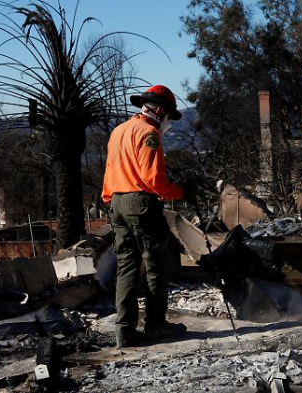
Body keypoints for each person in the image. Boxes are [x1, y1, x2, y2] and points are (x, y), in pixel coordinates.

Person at [102, 85, 195, 348]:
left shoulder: (118, 131)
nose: (168, 121)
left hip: (116, 202)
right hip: (140, 202)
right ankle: (155, 325)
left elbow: (110, 172)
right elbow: (154, 181)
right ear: (159, 110)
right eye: (168, 115)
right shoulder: (149, 134)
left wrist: (112, 201)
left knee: (127, 266)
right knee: (156, 265)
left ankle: (125, 331)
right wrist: (182, 191)